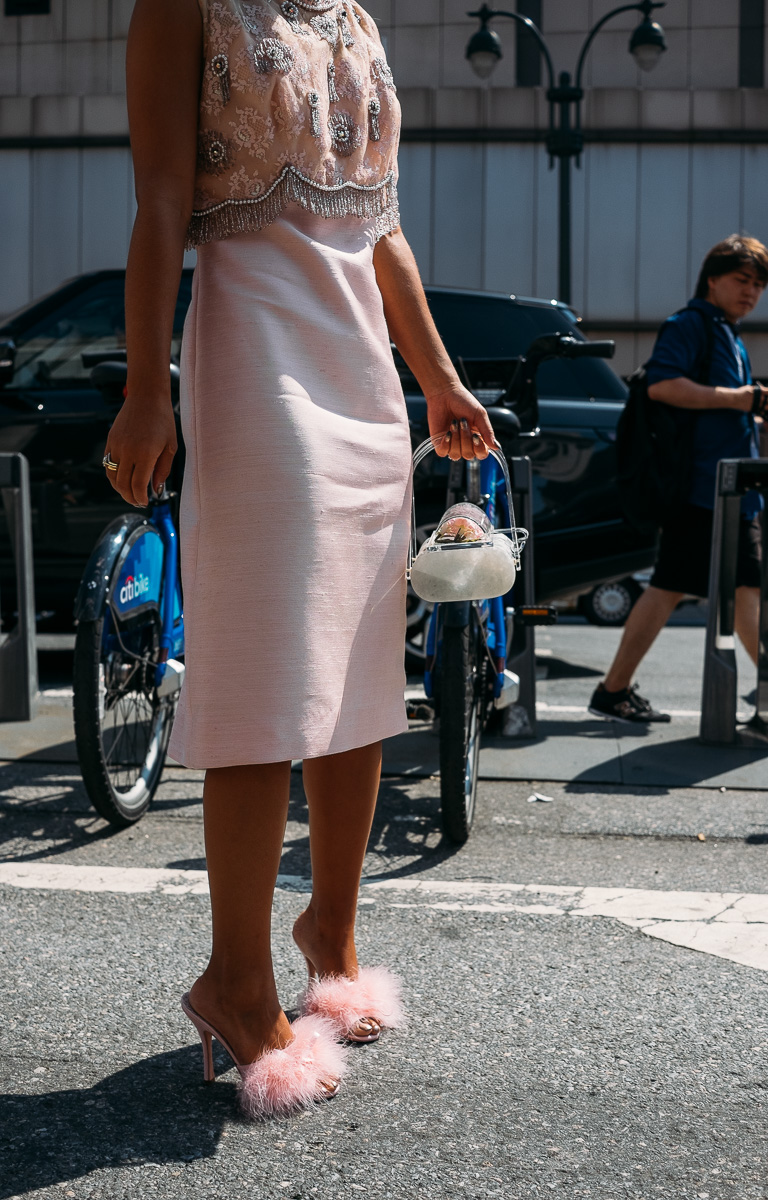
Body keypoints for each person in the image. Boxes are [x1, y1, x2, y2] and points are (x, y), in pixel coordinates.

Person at [103, 0, 495, 1118]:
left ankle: (331, 928)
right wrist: (145, 388)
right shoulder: (183, 5)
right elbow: (161, 202)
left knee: (363, 667)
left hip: (360, 373)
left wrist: (437, 378)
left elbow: (380, 227)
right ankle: (235, 981)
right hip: (254, 348)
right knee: (271, 669)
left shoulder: (355, 18)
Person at [590, 235, 768, 725]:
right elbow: (664, 386)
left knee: (714, 590)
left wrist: (750, 416)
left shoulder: (725, 332)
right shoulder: (690, 325)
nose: (751, 292)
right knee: (691, 589)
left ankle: (614, 689)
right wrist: (743, 400)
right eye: (741, 280)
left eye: (758, 285)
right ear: (712, 280)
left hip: (731, 492)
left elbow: (716, 409)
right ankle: (613, 689)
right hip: (704, 490)